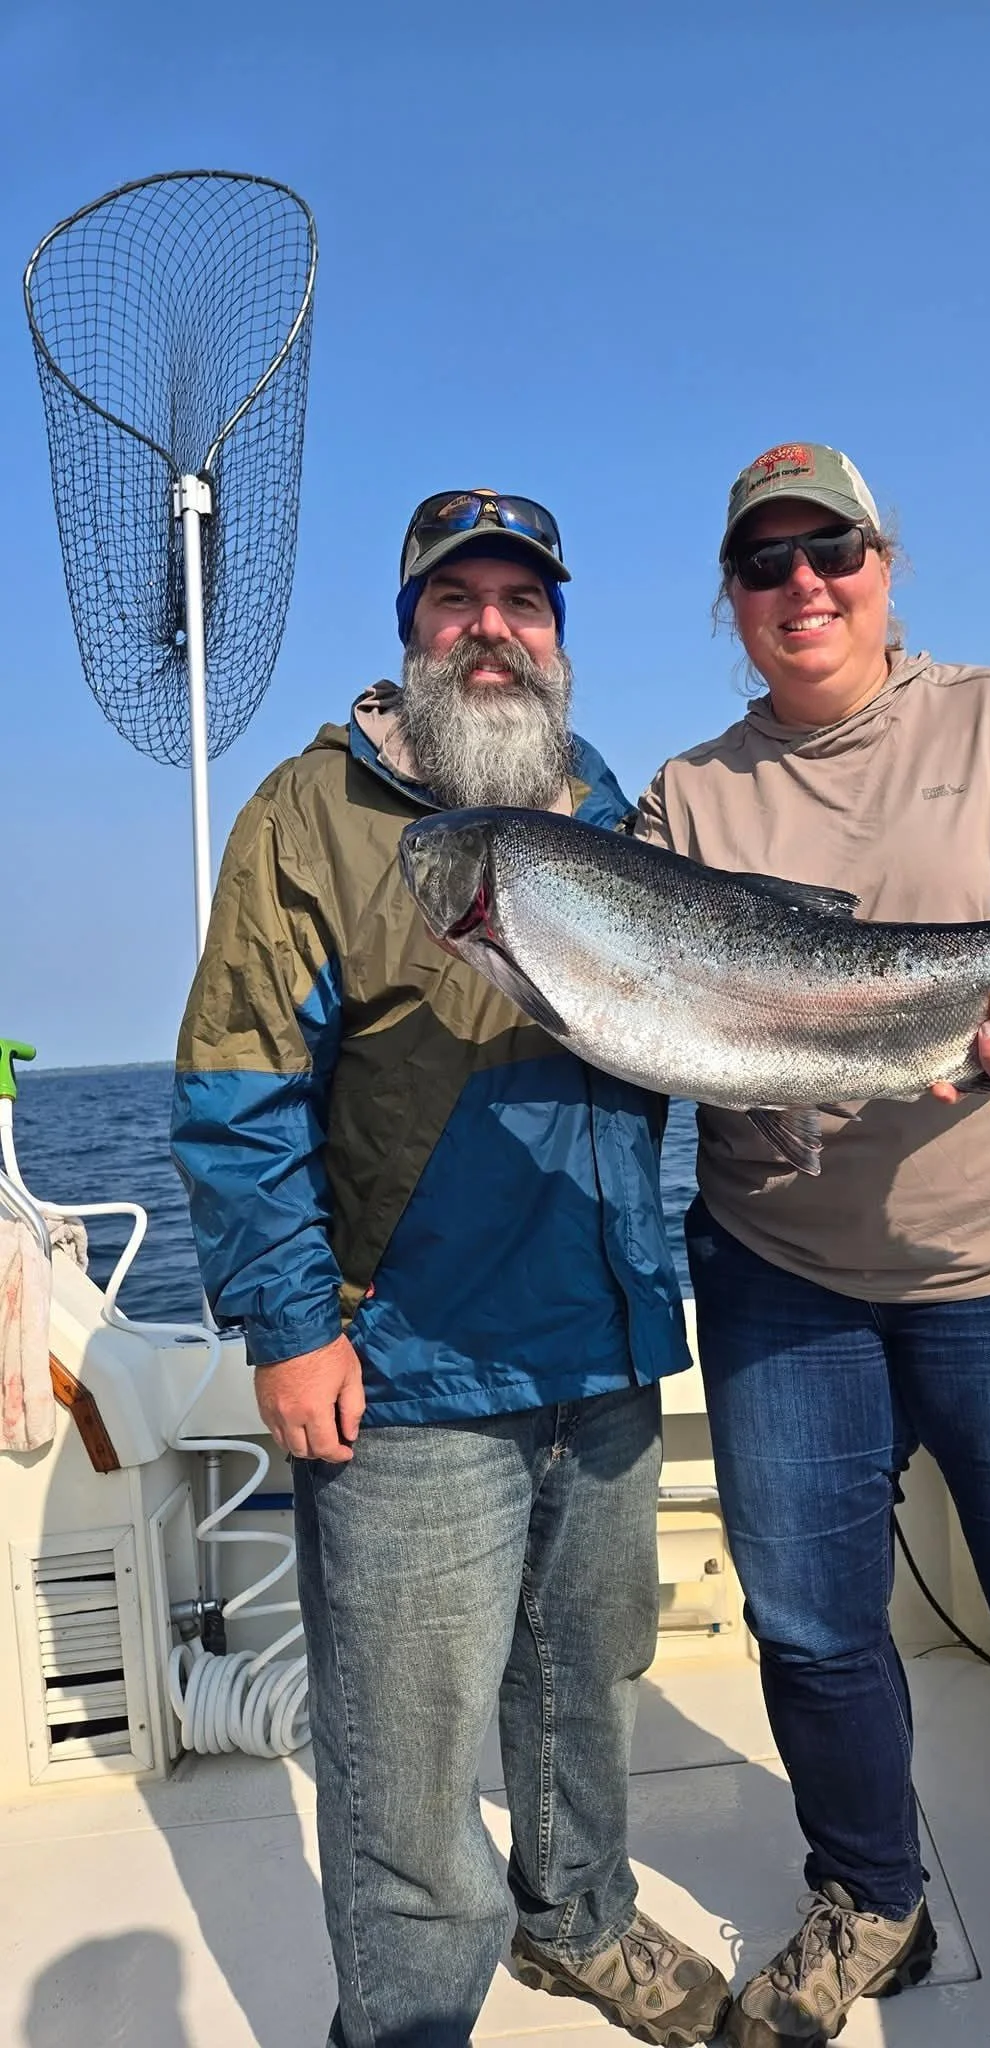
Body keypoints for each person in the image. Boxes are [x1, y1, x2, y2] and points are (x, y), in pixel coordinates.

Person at [635, 444, 990, 2048]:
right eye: (767, 566)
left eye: (833, 552)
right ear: (732, 603)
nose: (803, 587)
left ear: (886, 567)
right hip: (783, 1267)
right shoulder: (687, 798)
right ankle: (872, 1901)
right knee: (810, 1621)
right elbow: (641, 1008)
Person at [171, 489, 731, 2048]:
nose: (492, 629)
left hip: (603, 1344)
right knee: (407, 1765)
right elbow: (234, 1087)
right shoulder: (311, 814)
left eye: (523, 604)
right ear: (410, 632)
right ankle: (409, 2022)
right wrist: (290, 1330)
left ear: (558, 639)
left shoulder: (620, 817)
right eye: (455, 601)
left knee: (586, 1687)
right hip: (405, 1366)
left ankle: (580, 1924)